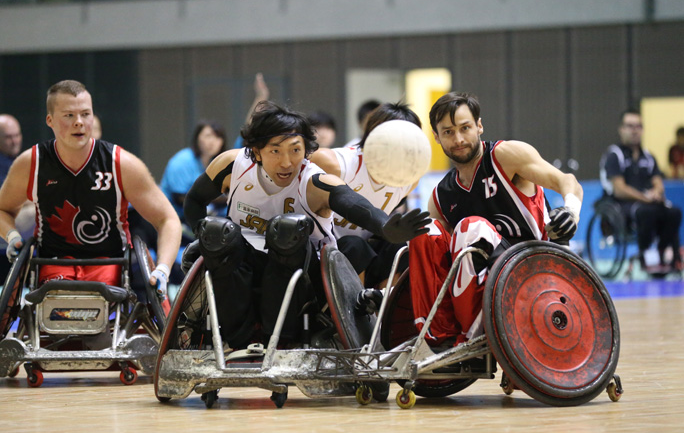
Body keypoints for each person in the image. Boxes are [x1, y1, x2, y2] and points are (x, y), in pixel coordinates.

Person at [181, 100, 430, 350]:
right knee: (216, 231)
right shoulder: (231, 165)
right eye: (275, 151)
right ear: (256, 151)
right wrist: (201, 237)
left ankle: (278, 337)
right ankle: (235, 336)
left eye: (295, 150)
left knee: (286, 229)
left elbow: (353, 203)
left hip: (305, 275)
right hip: (244, 260)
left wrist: (386, 227)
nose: (287, 162)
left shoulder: (313, 180)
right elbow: (193, 200)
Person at [401, 91, 583, 348]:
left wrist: (570, 211)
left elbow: (566, 181)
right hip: (482, 289)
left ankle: (473, 336)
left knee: (470, 227)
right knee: (423, 230)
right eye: (448, 132)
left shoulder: (506, 156)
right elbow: (433, 262)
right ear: (436, 137)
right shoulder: (441, 196)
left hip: (533, 269)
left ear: (479, 126)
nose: (459, 139)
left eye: (465, 128)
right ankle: (440, 338)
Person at [0, 80, 181, 299]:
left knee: (117, 302)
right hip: (54, 261)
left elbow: (168, 219)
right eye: (69, 115)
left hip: (111, 261)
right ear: (50, 120)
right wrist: (12, 236)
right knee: (57, 305)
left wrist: (163, 269)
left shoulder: (122, 163)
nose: (79, 122)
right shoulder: (31, 162)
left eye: (85, 114)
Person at [311, 101, 423, 288]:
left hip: (362, 260)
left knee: (403, 246)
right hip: (319, 255)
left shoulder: (409, 180)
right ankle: (356, 312)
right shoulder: (332, 162)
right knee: (355, 246)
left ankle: (381, 307)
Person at [600, 109, 682, 273]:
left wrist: (657, 193)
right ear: (621, 129)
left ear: (642, 129)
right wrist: (645, 198)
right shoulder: (614, 155)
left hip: (648, 204)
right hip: (622, 206)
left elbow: (658, 182)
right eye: (630, 126)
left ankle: (661, 251)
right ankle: (646, 256)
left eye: (638, 126)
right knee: (646, 212)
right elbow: (619, 189)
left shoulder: (648, 157)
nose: (634, 130)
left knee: (674, 212)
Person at [160, 120, 228, 222]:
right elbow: (180, 198)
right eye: (208, 136)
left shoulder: (219, 162)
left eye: (218, 137)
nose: (212, 141)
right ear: (197, 138)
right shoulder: (182, 160)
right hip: (175, 217)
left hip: (207, 216)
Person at [0, 115, 27, 244]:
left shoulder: (21, 161)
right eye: (8, 137)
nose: (15, 141)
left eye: (17, 135)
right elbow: (11, 200)